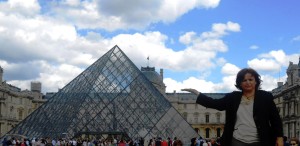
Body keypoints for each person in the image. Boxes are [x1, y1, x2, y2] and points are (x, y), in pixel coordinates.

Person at [182, 68, 283, 146]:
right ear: (239, 83)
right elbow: (216, 104)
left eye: (250, 79)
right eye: (244, 80)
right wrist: (198, 94)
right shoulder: (233, 97)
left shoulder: (265, 97)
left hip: (261, 140)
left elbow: (275, 119)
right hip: (237, 140)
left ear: (256, 81)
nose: (247, 82)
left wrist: (279, 137)